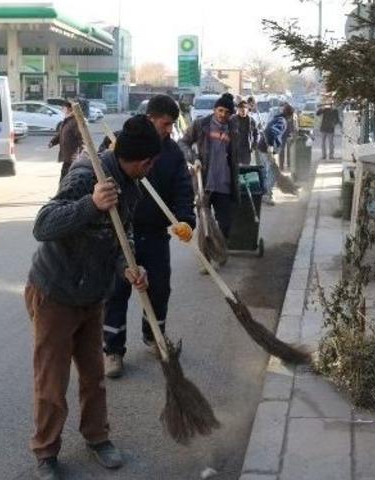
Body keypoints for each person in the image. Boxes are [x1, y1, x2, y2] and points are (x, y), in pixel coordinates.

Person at [25, 115, 162, 480]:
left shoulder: (131, 184)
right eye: (150, 162)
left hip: (92, 294)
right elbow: (43, 225)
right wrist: (91, 203)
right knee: (51, 381)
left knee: (94, 374)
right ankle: (46, 452)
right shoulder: (88, 175)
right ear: (140, 159)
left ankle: (97, 438)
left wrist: (129, 266)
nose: (151, 168)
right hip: (55, 293)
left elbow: (122, 235)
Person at [101, 95, 196, 378]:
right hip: (120, 233)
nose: (170, 129)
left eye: (172, 125)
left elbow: (182, 189)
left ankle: (154, 336)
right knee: (117, 291)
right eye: (166, 124)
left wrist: (185, 221)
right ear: (152, 117)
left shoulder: (173, 153)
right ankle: (113, 350)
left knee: (159, 288)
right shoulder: (120, 143)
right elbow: (96, 174)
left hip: (154, 235)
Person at [179, 92, 238, 239]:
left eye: (227, 112)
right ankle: (208, 254)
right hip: (203, 183)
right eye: (220, 110)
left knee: (225, 224)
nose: (223, 114)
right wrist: (193, 158)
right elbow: (182, 142)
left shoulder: (233, 129)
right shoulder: (201, 124)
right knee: (206, 224)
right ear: (215, 109)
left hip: (224, 184)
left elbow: (234, 156)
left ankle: (220, 248)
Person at [258, 103, 296, 205]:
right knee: (273, 173)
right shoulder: (282, 121)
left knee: (269, 171)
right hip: (267, 148)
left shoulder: (277, 118)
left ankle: (264, 193)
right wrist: (272, 146)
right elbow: (273, 131)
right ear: (290, 116)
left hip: (262, 147)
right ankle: (267, 195)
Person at [48, 100, 84, 182]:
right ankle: (61, 192)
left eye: (63, 108)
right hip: (66, 156)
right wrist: (53, 142)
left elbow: (82, 139)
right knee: (64, 178)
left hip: (72, 158)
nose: (62, 110)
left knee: (67, 179)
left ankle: (62, 193)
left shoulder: (75, 122)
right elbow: (61, 134)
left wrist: (80, 154)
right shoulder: (66, 120)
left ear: (70, 109)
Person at [230, 99, 258, 166]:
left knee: (246, 168)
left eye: (245, 109)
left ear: (247, 110)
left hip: (247, 149)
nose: (243, 111)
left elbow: (256, 134)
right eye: (241, 110)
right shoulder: (232, 120)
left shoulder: (252, 121)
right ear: (238, 110)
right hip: (236, 149)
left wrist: (254, 145)